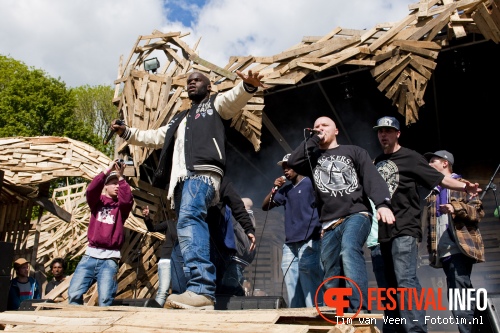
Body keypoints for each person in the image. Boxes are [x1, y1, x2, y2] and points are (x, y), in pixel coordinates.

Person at [111, 70, 263, 310]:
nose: (192, 82)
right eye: (189, 80)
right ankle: (197, 292)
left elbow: (233, 98)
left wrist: (248, 87)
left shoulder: (214, 105)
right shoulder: (179, 119)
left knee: (190, 220)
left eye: (198, 79)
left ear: (209, 86)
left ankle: (201, 289)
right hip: (182, 182)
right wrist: (127, 132)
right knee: (189, 226)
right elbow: (154, 136)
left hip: (201, 174)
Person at [372, 116, 481, 332]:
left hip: (412, 230)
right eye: (380, 131)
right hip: (386, 234)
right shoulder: (377, 162)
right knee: (390, 287)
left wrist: (463, 188)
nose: (383, 134)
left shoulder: (411, 157)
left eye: (388, 130)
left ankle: (418, 329)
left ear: (397, 133)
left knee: (407, 281)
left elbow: (440, 180)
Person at [287, 116, 395, 313]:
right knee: (331, 270)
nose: (320, 128)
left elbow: (372, 178)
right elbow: (293, 161)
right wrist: (313, 139)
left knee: (349, 249)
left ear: (336, 130)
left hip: (356, 214)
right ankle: (338, 310)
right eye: (317, 126)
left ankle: (359, 308)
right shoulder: (312, 159)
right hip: (329, 223)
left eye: (325, 126)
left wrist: (382, 204)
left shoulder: (354, 151)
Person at [424, 150, 484, 333]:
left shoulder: (463, 185)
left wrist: (454, 207)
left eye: (432, 161)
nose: (429, 164)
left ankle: (468, 330)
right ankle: (478, 325)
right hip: (444, 251)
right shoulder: (433, 192)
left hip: (459, 247)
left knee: (459, 293)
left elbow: (477, 212)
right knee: (459, 290)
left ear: (444, 163)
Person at [67, 159, 134, 306]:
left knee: (105, 299)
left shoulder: (120, 208)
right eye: (113, 183)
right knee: (74, 293)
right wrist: (107, 171)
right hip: (90, 256)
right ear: (106, 186)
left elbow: (128, 199)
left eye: (118, 183)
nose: (117, 186)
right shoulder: (97, 202)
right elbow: (91, 190)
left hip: (109, 260)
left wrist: (121, 176)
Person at [261, 153, 323, 308]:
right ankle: (297, 318)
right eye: (283, 168)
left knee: (309, 281)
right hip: (290, 244)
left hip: (309, 240)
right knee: (291, 282)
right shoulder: (286, 190)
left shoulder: (311, 183)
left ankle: (316, 316)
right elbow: (265, 206)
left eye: (288, 167)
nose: (285, 171)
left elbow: (325, 204)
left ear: (298, 165)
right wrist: (275, 188)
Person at [142, 206, 174, 307]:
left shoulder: (188, 225)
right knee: (163, 291)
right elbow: (153, 229)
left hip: (181, 261)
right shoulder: (170, 223)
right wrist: (147, 217)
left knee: (180, 292)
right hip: (167, 260)